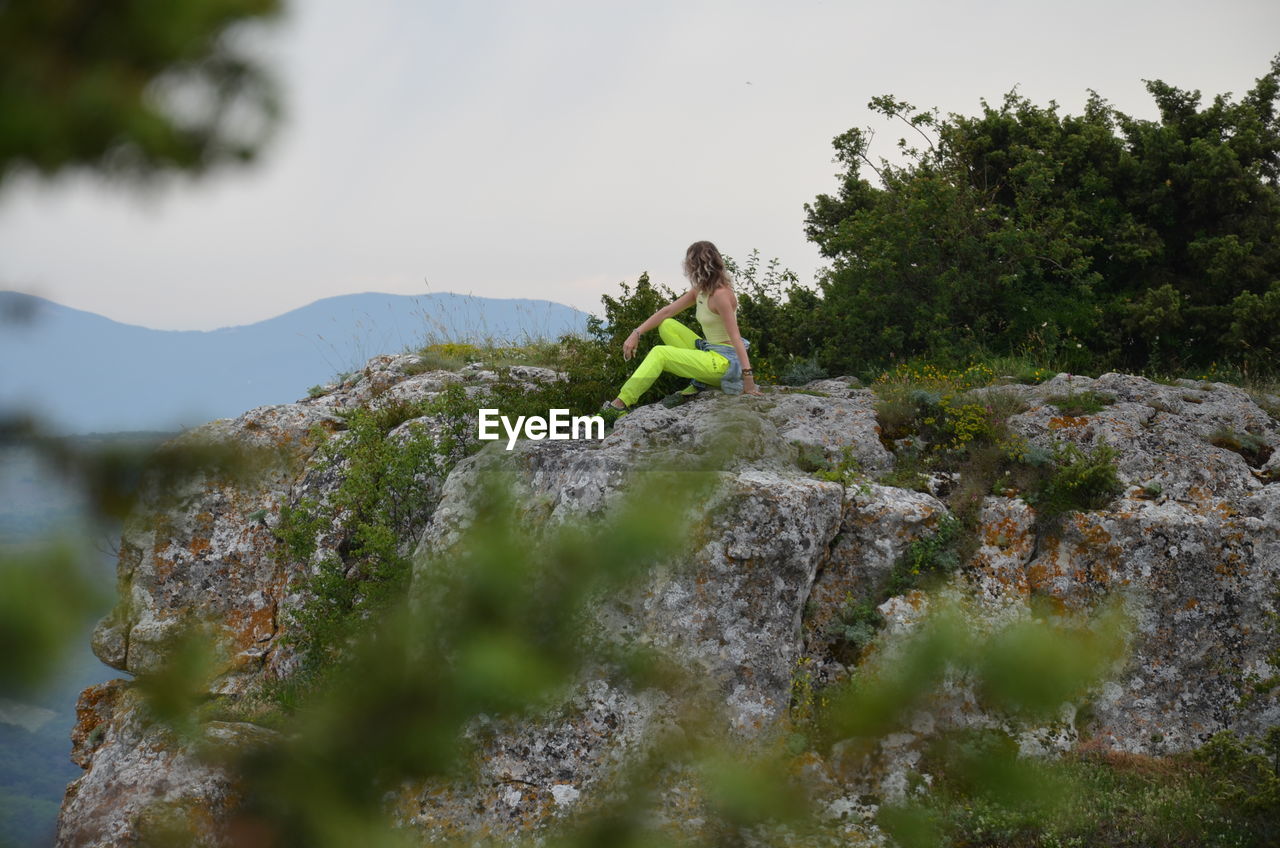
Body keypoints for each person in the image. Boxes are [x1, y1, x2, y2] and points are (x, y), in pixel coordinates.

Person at [602, 241, 761, 422]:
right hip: (710, 351)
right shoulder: (701, 291)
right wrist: (636, 333)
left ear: (696, 266)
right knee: (667, 324)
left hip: (724, 364)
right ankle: (702, 381)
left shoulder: (721, 295)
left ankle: (620, 404)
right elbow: (667, 311)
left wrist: (748, 380)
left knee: (660, 353)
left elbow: (736, 338)